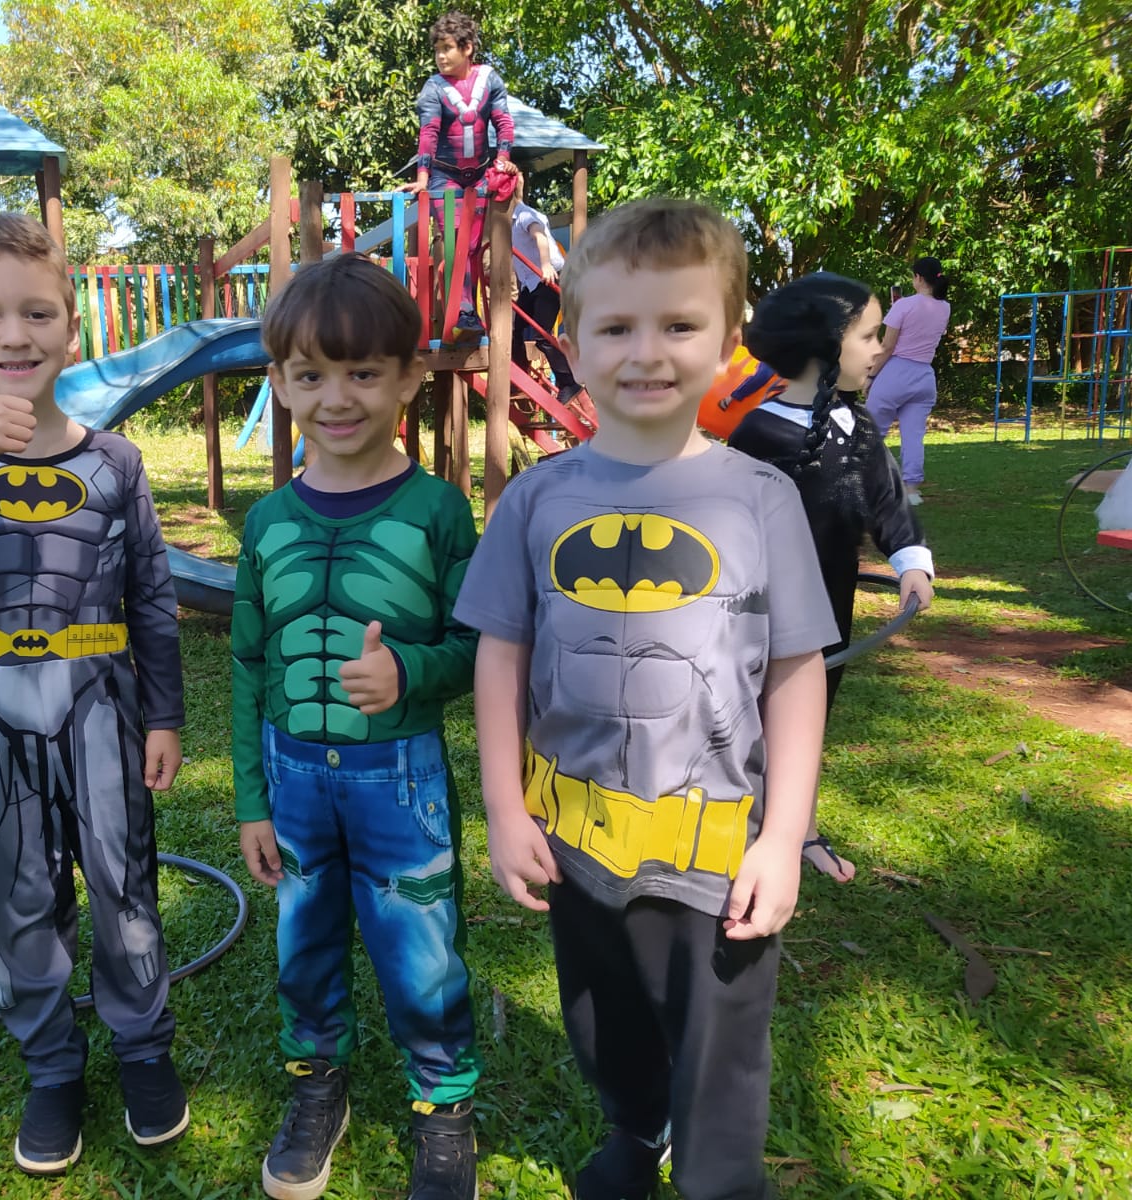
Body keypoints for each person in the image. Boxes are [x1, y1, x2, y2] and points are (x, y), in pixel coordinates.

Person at [455, 198, 838, 1200]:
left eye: (679, 324)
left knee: (720, 1043)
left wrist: (782, 837)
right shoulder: (536, 499)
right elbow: (499, 654)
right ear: (572, 342)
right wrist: (503, 807)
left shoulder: (761, 499)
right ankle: (637, 1125)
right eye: (617, 327)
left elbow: (796, 672)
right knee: (601, 1015)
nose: (647, 352)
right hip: (576, 838)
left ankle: (718, 1179)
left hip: (716, 849)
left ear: (728, 338)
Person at [0, 212, 188, 1176]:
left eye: (36, 313)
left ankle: (143, 1050)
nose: (13, 335)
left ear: (71, 326)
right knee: (12, 889)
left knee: (123, 884)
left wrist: (165, 713)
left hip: (100, 705)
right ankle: (53, 1066)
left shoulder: (116, 462)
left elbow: (151, 596)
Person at [233, 255, 482, 1200]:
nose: (336, 398)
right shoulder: (265, 523)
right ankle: (316, 1086)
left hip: (400, 779)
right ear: (280, 382)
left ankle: (443, 1106)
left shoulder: (439, 511)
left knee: (421, 950)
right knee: (303, 946)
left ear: (410, 378)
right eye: (310, 375)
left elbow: (481, 645)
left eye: (363, 372)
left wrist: (410, 671)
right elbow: (248, 666)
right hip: (292, 777)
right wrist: (252, 801)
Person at [729, 273, 935, 883]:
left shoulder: (859, 426)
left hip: (830, 608)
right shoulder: (757, 434)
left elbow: (889, 503)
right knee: (753, 721)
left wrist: (911, 563)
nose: (880, 349)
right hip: (760, 617)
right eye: (868, 336)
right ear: (824, 346)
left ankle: (801, 829)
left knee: (809, 723)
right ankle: (741, 829)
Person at [403, 10, 515, 345]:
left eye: (447, 48)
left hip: (479, 175)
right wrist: (423, 177)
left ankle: (469, 312)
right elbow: (429, 131)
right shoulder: (433, 87)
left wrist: (503, 161)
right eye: (437, 49)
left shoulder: (489, 79)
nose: (440, 56)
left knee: (472, 247)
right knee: (454, 241)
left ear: (467, 48)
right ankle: (464, 310)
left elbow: (503, 123)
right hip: (445, 175)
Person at [864, 256, 951, 505]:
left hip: (896, 372)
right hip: (924, 376)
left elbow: (887, 346)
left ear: (918, 278)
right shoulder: (945, 307)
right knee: (913, 436)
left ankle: (867, 486)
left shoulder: (903, 305)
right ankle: (912, 490)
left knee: (871, 432)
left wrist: (871, 376)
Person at [509, 174, 582, 405]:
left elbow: (540, 236)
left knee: (542, 335)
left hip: (550, 277)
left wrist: (546, 264)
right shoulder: (508, 222)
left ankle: (569, 383)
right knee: (515, 329)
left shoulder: (524, 214)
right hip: (532, 283)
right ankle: (518, 377)